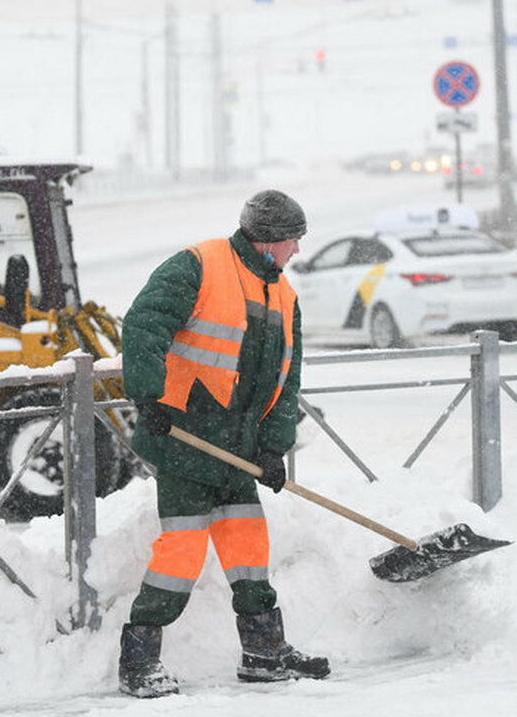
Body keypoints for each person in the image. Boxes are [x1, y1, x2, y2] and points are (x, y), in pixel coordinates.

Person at [116, 190, 329, 698]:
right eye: (293, 240)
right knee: (182, 551)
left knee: (250, 546)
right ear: (268, 240)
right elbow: (144, 323)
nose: (297, 250)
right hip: (185, 435)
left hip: (238, 450)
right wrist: (149, 396)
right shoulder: (198, 265)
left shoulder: (284, 297)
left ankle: (264, 652)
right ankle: (139, 660)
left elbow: (286, 379)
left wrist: (274, 448)